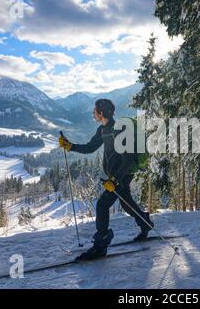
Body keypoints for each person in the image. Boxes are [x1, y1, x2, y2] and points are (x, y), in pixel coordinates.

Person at [59, 99, 154, 260]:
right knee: (125, 202)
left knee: (102, 205)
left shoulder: (119, 131)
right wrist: (70, 146)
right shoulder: (103, 130)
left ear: (101, 113)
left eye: (94, 111)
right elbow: (90, 147)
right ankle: (145, 223)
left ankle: (101, 244)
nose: (93, 113)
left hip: (122, 175)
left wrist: (115, 180)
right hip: (114, 177)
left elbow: (129, 160)